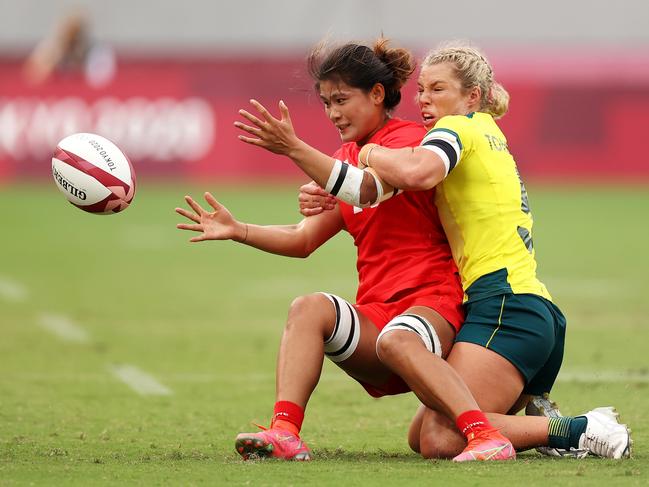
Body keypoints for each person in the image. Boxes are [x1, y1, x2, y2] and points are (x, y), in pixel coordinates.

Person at [235, 41, 632, 460]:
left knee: (439, 434)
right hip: (517, 308)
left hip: (501, 307)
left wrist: (347, 156)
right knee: (423, 433)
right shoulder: (483, 132)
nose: (423, 100)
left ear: (472, 96)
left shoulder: (449, 132)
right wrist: (246, 224)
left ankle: (577, 429)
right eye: (422, 89)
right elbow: (321, 223)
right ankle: (544, 426)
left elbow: (398, 178)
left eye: (437, 89)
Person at [178, 38, 517, 462]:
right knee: (308, 308)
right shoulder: (344, 158)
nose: (333, 113)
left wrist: (296, 149)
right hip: (380, 317)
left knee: (404, 346)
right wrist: (238, 229)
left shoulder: (413, 140)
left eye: (341, 99)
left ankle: (483, 434)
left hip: (434, 306)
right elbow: (304, 239)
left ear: (377, 94)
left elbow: (365, 187)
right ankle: (284, 431)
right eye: (325, 103)